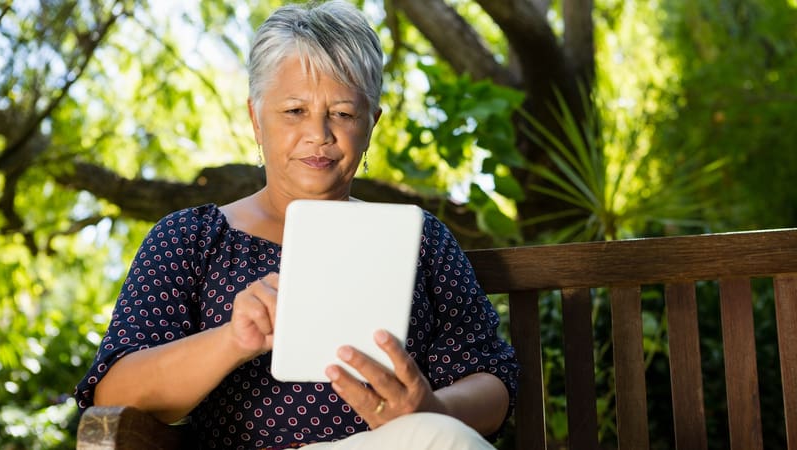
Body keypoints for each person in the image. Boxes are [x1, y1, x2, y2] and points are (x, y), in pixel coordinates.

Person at [74, 1, 519, 449]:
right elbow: (113, 397)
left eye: (343, 113)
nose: (319, 134)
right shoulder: (191, 238)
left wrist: (431, 411)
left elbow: (492, 379)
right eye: (293, 111)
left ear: (371, 125)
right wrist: (232, 339)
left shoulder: (420, 240)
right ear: (255, 118)